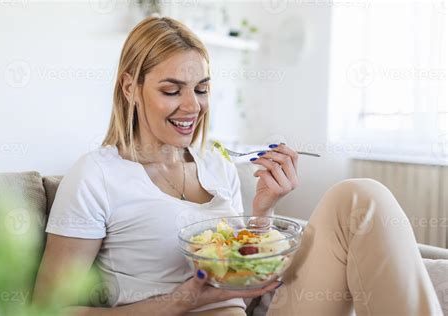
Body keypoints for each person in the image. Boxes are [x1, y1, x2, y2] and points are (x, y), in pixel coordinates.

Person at [32, 16, 442, 316]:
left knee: (360, 197)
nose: (191, 106)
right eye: (171, 90)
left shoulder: (216, 165)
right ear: (130, 88)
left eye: (202, 89)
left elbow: (243, 286)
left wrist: (262, 211)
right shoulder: (95, 175)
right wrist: (185, 299)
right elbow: (48, 309)